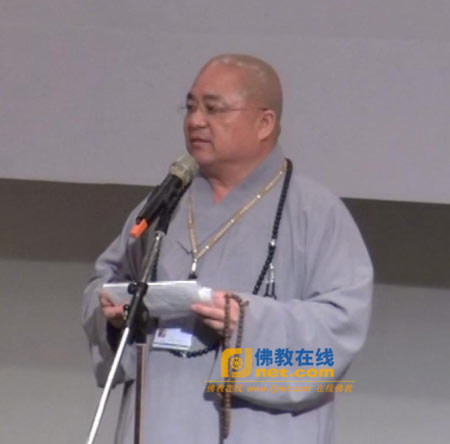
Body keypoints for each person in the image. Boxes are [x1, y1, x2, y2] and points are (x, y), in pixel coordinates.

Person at [82, 54, 373, 444]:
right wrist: (114, 316)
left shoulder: (316, 213)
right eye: (190, 107)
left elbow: (339, 331)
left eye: (213, 109)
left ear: (264, 123)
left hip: (259, 428)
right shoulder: (163, 205)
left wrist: (247, 322)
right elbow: (104, 283)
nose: (195, 121)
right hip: (157, 420)